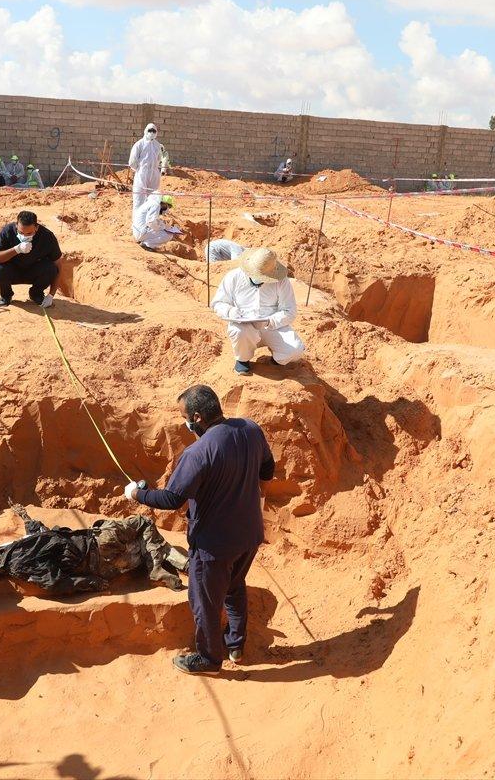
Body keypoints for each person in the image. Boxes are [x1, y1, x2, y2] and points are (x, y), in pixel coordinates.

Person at [124, 384, 273, 675]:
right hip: (249, 535)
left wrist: (136, 494)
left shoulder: (198, 452)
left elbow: (172, 499)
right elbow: (267, 468)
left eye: (184, 418)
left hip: (213, 546)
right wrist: (257, 498)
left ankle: (208, 659)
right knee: (234, 586)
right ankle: (235, 645)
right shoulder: (251, 429)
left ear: (197, 417)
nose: (185, 423)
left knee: (203, 600)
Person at [0, 503, 186, 599]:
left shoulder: (11, 552)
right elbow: (54, 582)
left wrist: (25, 517)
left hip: (99, 553)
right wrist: (89, 583)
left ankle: (166, 563)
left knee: (143, 547)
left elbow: (39, 536)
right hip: (95, 550)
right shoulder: (16, 565)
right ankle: (156, 569)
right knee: (142, 522)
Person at [211, 247, 305, 375]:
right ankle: (243, 359)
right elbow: (218, 303)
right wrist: (230, 311)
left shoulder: (281, 281)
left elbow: (289, 310)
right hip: (244, 325)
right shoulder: (233, 277)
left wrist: (270, 321)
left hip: (272, 325)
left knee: (295, 351)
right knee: (239, 332)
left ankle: (276, 360)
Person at [0, 209, 60, 308]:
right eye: (21, 232)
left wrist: (51, 295)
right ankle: (6, 296)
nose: (24, 236)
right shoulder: (8, 231)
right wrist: (16, 249)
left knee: (51, 268)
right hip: (12, 270)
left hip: (34, 271)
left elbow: (58, 265)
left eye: (29, 233)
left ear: (36, 228)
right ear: (16, 225)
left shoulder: (47, 236)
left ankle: (36, 294)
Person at [128, 122, 162, 211]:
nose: (152, 133)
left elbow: (158, 159)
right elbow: (132, 161)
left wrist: (153, 169)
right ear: (146, 131)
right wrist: (140, 170)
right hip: (142, 175)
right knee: (139, 198)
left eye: (154, 131)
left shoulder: (157, 145)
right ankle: (138, 219)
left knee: (153, 199)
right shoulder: (139, 144)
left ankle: (150, 218)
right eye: (150, 130)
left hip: (154, 175)